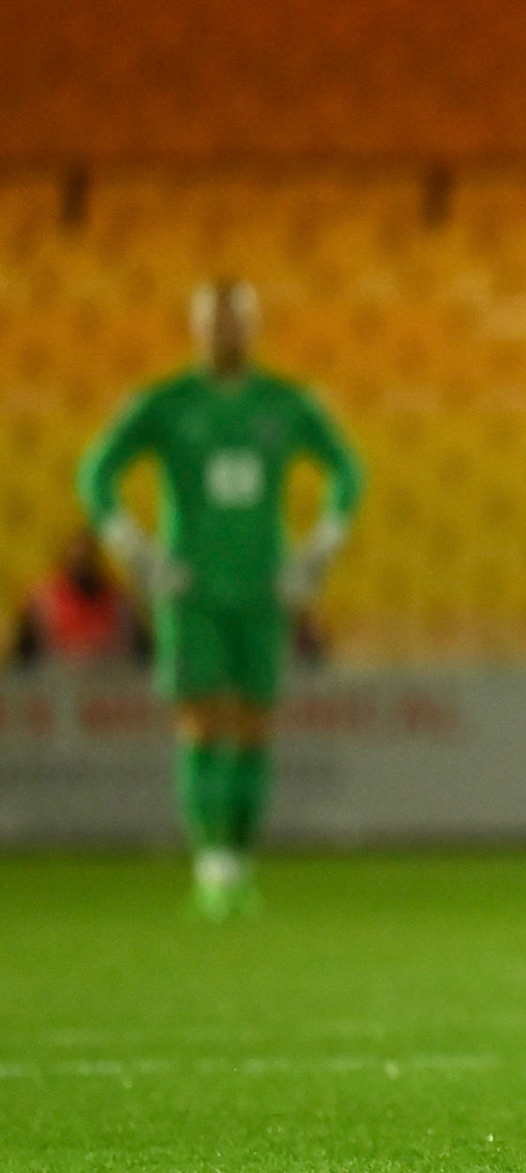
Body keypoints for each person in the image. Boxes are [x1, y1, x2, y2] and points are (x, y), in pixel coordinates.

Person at [76, 279, 364, 919]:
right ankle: (210, 866)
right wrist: (137, 551)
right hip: (193, 587)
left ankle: (240, 863)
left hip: (264, 586)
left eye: (236, 319)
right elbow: (96, 473)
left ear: (254, 326)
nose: (225, 330)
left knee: (257, 723)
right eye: (213, 320)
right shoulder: (165, 403)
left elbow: (348, 471)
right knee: (202, 721)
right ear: (196, 326)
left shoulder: (287, 402)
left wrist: (318, 552)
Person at [10, 527, 150, 669]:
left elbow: (143, 652)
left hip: (109, 677)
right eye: (76, 560)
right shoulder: (43, 603)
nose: (81, 566)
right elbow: (22, 659)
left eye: (86, 560)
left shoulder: (118, 602)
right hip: (56, 678)